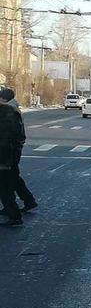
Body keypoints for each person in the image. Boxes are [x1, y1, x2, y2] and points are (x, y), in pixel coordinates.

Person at [0, 88, 36, 217]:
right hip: (11, 150)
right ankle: (26, 201)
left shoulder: (8, 110)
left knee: (7, 179)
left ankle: (14, 209)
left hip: (8, 151)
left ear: (3, 98)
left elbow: (8, 134)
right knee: (12, 178)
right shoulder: (11, 108)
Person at [0, 89, 25, 226]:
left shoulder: (6, 113)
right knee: (8, 184)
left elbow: (6, 138)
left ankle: (14, 216)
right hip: (8, 155)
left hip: (5, 156)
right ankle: (15, 211)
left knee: (5, 186)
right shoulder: (10, 111)